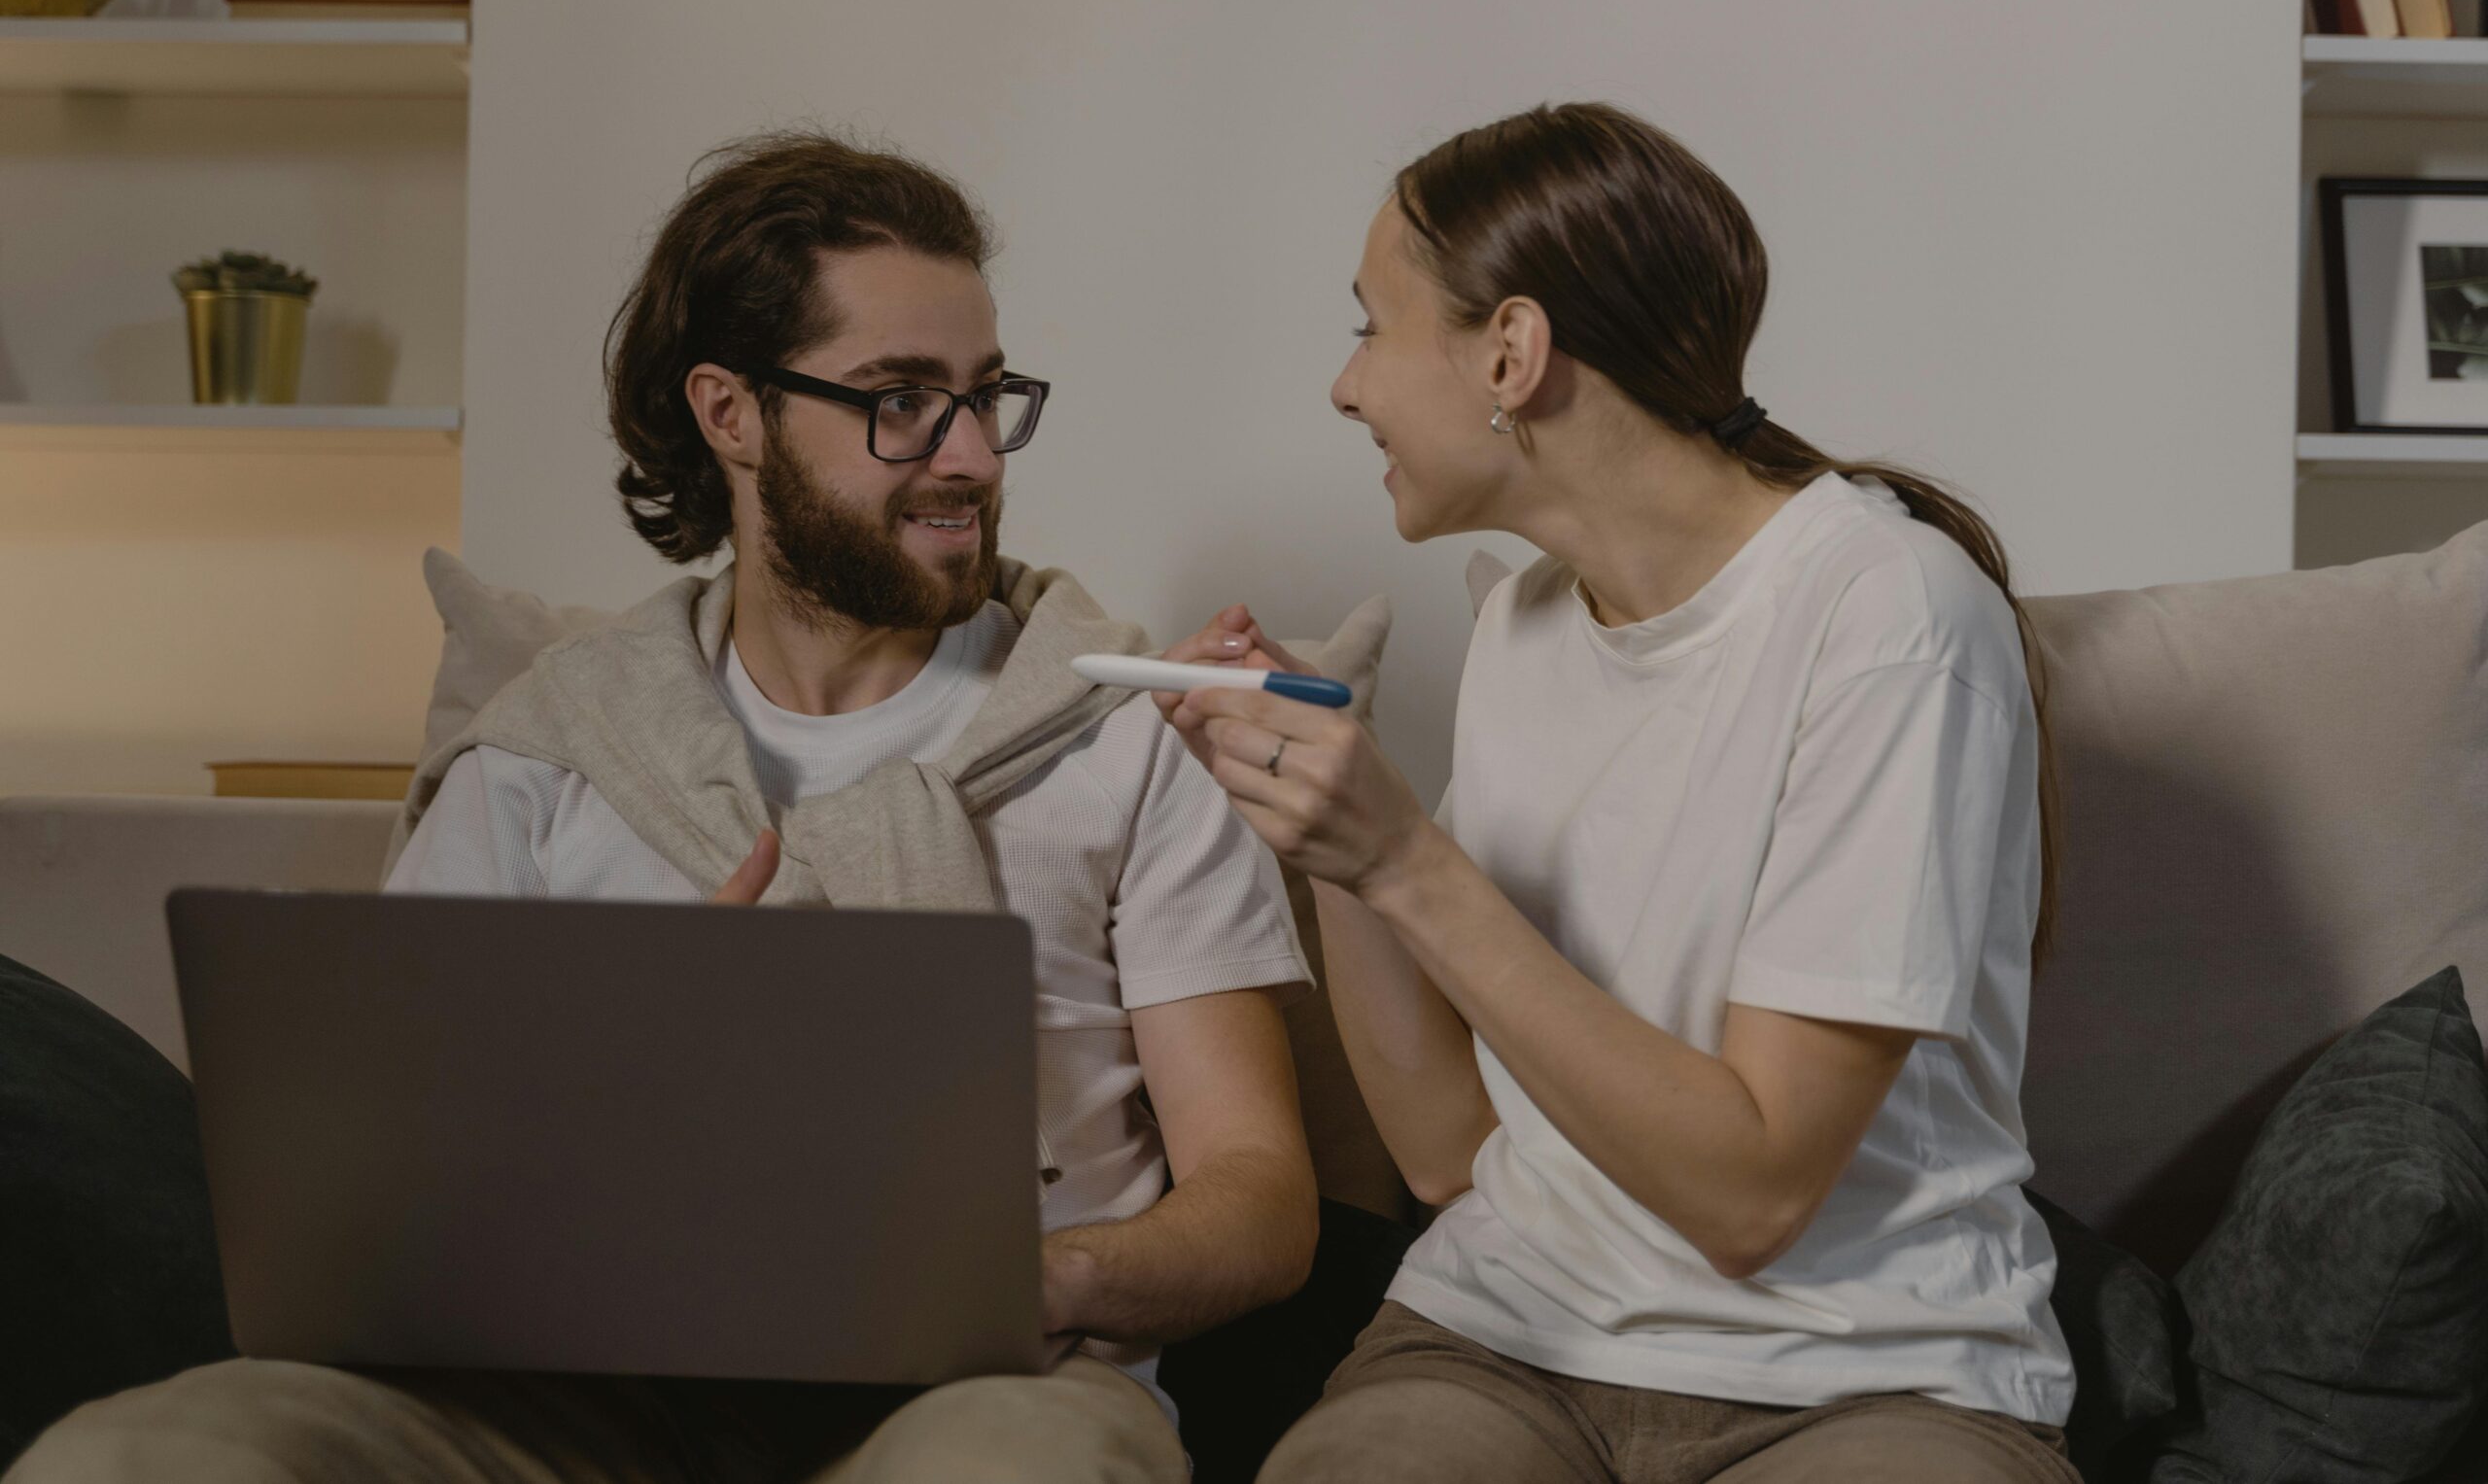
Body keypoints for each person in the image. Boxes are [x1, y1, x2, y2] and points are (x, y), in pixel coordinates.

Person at [10, 131, 1318, 1484]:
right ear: (731, 412)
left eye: (988, 396)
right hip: (578, 1404)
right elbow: (389, 1206)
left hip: (994, 1387)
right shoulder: (552, 752)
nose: (973, 457)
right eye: (902, 400)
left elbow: (1262, 1198)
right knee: (149, 1454)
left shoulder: (1123, 736)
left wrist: (1041, 1279)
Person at [1156, 102, 2080, 1483]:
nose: (1346, 390)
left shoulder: (1891, 615)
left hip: (1866, 1376)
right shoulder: (1528, 625)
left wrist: (1407, 856)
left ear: (1511, 354)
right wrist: (1332, 838)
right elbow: (1448, 1156)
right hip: (1502, 1340)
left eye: (1368, 328)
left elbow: (1753, 1194)